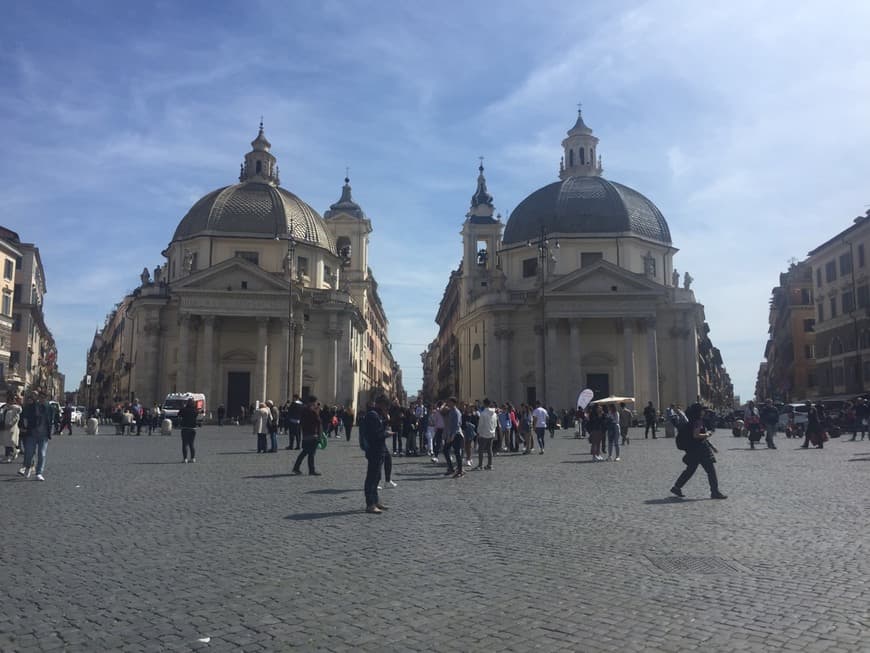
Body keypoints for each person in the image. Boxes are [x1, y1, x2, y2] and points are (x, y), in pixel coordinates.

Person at [670, 403, 727, 499]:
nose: (704, 412)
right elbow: (696, 435)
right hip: (700, 450)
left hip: (693, 450)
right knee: (710, 470)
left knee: (690, 469)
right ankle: (715, 492)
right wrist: (707, 434)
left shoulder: (691, 421)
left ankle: (677, 487)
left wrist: (711, 446)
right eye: (702, 410)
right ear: (698, 412)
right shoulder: (698, 422)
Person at [362, 396, 391, 514]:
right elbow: (375, 434)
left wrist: (385, 420)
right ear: (381, 404)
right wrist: (386, 433)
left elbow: (379, 428)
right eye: (385, 406)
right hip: (374, 450)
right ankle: (370, 504)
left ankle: (375, 500)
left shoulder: (377, 415)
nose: (386, 408)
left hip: (379, 449)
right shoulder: (372, 415)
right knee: (372, 477)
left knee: (377, 476)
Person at [18, 391, 56, 481]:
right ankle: (28, 467)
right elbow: (25, 416)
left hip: (43, 435)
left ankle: (39, 473)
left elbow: (52, 420)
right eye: (40, 397)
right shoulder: (32, 407)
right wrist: (24, 426)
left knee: (42, 454)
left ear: (46, 398)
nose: (42, 399)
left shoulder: (49, 408)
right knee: (29, 453)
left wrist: (51, 430)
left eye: (43, 397)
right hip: (32, 434)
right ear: (38, 398)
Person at [292, 396, 322, 476]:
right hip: (313, 434)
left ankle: (296, 467)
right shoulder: (312, 411)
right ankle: (311, 470)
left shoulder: (304, 410)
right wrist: (317, 412)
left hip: (305, 434)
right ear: (314, 402)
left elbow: (302, 421)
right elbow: (318, 421)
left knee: (304, 452)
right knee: (311, 453)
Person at [444, 397, 464, 477]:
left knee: (457, 453)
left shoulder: (456, 412)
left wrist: (452, 436)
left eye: (449, 402)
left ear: (453, 403)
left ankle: (460, 470)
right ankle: (451, 468)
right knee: (445, 450)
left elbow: (457, 425)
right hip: (451, 434)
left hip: (456, 435)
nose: (448, 403)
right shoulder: (451, 411)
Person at [476, 398, 497, 470]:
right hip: (491, 433)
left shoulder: (483, 413)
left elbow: (480, 424)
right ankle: (490, 464)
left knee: (481, 449)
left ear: (484, 404)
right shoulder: (494, 413)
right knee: (489, 449)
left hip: (484, 433)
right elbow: (495, 424)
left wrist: (478, 432)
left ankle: (480, 465)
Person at [2, 391, 22, 462]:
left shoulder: (16, 408)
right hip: (5, 427)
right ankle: (8, 455)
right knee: (6, 442)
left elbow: (16, 417)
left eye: (11, 400)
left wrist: (11, 424)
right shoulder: (5, 407)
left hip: (11, 428)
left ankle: (10, 455)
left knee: (10, 442)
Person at [178, 397, 198, 463]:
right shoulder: (195, 410)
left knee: (185, 444)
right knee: (191, 444)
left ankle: (185, 459)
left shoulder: (184, 409)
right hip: (193, 428)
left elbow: (179, 414)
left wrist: (182, 407)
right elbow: (197, 414)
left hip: (185, 428)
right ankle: (193, 458)